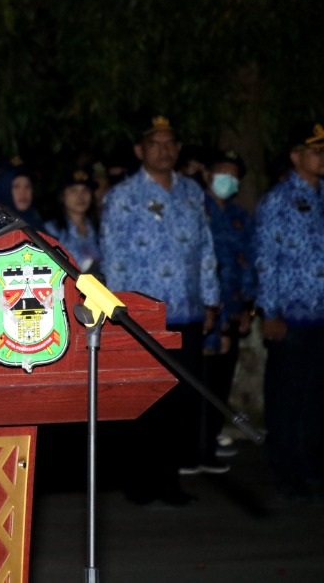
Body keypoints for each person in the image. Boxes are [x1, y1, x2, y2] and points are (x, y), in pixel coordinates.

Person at [101, 115, 219, 504]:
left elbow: (205, 251)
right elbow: (113, 258)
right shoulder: (122, 197)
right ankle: (138, 479)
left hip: (186, 310)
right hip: (141, 316)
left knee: (181, 398)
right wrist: (119, 310)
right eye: (155, 143)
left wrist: (210, 298)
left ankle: (170, 480)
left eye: (170, 143)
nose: (164, 150)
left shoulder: (191, 192)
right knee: (144, 398)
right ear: (140, 150)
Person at [254, 124, 324, 502]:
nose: (321, 157)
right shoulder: (277, 201)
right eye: (314, 151)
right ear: (296, 157)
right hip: (291, 316)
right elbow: (265, 260)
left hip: (322, 315)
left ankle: (312, 464)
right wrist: (270, 311)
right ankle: (287, 468)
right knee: (289, 396)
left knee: (316, 396)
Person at [198, 148, 255, 464]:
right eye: (223, 173)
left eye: (234, 176)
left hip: (232, 310)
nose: (228, 180)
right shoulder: (196, 211)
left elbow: (249, 265)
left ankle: (210, 443)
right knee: (201, 382)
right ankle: (195, 448)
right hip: (205, 314)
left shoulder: (239, 217)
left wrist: (248, 308)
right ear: (207, 175)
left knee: (220, 381)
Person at [43, 169, 102, 276]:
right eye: (73, 191)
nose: (80, 196)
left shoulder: (99, 229)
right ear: (62, 196)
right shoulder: (52, 230)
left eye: (85, 190)